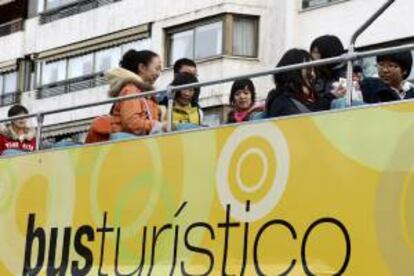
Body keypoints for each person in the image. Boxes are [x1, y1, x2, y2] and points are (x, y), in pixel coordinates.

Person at [85, 50, 165, 143]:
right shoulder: (131, 90)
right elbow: (132, 123)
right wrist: (158, 125)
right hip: (126, 145)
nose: (159, 73)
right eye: (157, 68)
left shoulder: (146, 95)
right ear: (142, 67)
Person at [265, 49, 344, 118]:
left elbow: (315, 108)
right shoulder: (281, 101)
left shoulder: (307, 98)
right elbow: (306, 119)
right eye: (308, 70)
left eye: (314, 70)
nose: (313, 75)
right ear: (293, 73)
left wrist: (333, 95)